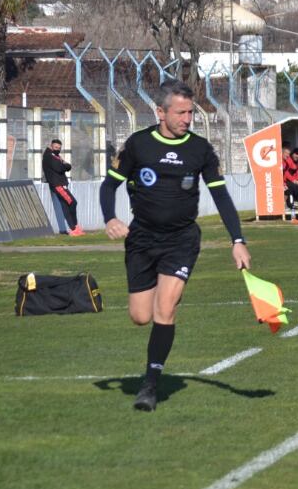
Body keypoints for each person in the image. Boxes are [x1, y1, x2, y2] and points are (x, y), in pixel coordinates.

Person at [100, 80, 252, 412]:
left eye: (190, 113)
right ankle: (152, 362)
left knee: (165, 310)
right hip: (141, 239)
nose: (187, 119)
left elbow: (220, 195)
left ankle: (150, 386)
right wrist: (110, 218)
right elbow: (109, 186)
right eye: (180, 112)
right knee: (141, 317)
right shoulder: (138, 145)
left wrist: (237, 241)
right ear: (160, 112)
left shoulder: (200, 150)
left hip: (181, 239)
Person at [43, 138, 84, 236]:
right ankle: (74, 227)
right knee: (72, 202)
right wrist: (64, 165)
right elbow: (60, 168)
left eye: (59, 148)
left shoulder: (55, 156)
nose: (57, 149)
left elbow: (68, 166)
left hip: (60, 184)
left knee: (66, 205)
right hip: (57, 184)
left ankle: (74, 228)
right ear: (51, 146)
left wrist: (65, 165)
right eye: (56, 147)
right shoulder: (49, 156)